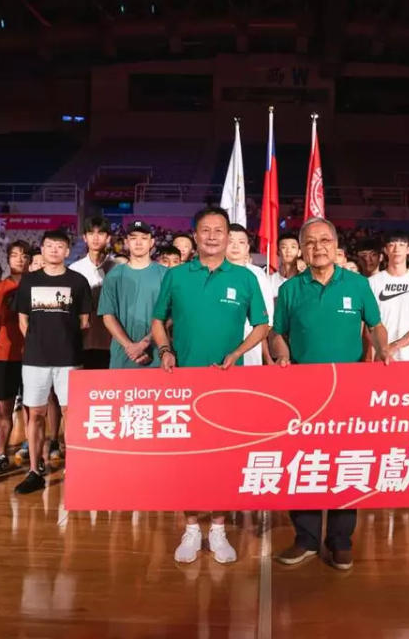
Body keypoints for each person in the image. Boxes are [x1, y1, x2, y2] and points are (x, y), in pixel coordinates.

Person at [271, 217, 391, 571]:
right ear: (303, 250)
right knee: (304, 464)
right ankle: (305, 538)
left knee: (345, 465)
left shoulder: (356, 284)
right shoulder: (291, 289)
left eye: (324, 240)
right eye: (310, 242)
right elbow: (277, 332)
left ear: (337, 246)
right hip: (303, 391)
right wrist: (281, 352)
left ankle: (340, 540)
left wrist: (383, 349)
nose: (317, 247)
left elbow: (375, 325)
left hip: (348, 390)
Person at [151, 207, 269, 565]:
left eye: (221, 231)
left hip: (226, 384)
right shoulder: (177, 276)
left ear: (230, 238)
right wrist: (166, 351)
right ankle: (190, 527)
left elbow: (262, 326)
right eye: (206, 230)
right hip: (183, 383)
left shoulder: (246, 278)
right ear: (196, 235)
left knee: (223, 460)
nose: (214, 236)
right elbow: (158, 322)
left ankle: (218, 529)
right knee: (187, 460)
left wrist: (237, 352)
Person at [15, 229, 91, 494]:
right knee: (35, 414)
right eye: (49, 246)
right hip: (35, 359)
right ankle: (35, 470)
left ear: (68, 251)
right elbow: (22, 320)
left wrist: (63, 341)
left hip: (69, 358)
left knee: (72, 414)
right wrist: (37, 342)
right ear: (42, 249)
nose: (55, 250)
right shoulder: (28, 281)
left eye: (60, 246)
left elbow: (84, 322)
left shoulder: (78, 282)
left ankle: (76, 468)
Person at [0, 240, 30, 476]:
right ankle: (1, 454)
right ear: (8, 259)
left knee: (33, 410)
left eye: (24, 255)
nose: (20, 259)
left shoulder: (38, 286)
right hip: (4, 355)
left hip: (34, 356)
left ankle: (34, 453)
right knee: (3, 409)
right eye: (14, 255)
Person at [99, 221, 167, 369]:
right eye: (133, 238)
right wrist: (130, 347)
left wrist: (144, 343)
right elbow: (108, 316)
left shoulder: (165, 275)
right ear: (126, 243)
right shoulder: (114, 276)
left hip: (156, 355)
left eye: (143, 238)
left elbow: (170, 315)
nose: (138, 242)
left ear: (152, 242)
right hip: (122, 356)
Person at [368, 232, 409, 362]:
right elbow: (369, 324)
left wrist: (394, 346)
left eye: (401, 245)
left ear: (408, 249)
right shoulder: (372, 282)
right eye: (392, 245)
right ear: (386, 250)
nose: (397, 249)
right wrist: (382, 350)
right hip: (380, 357)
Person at [69, 216, 113, 371]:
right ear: (84, 238)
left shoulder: (118, 268)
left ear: (108, 238)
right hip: (83, 341)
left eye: (100, 233)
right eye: (91, 233)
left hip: (112, 341)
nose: (95, 238)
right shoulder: (75, 269)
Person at [227, 223, 274, 365]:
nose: (235, 246)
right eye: (230, 242)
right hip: (220, 346)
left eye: (241, 242)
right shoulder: (213, 273)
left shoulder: (257, 275)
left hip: (250, 348)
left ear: (247, 248)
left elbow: (267, 321)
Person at [269, 232, 301, 299]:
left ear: (299, 252)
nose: (288, 250)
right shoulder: (270, 280)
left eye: (293, 247)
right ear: (278, 252)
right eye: (284, 247)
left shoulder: (305, 279)